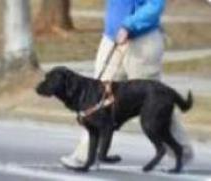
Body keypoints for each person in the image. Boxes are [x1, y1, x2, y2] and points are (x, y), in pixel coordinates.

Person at [61, 0, 194, 169]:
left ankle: (180, 153)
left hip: (142, 43)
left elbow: (155, 5)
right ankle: (86, 155)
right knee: (94, 102)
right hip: (112, 38)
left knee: (156, 104)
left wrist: (129, 25)